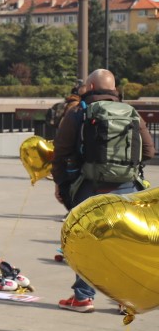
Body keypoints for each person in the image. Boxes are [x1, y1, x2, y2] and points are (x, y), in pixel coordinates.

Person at [52, 69, 154, 312]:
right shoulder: (131, 112)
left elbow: (61, 151)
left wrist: (60, 183)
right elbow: (149, 151)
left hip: (91, 186)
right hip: (126, 187)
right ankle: (124, 299)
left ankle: (83, 298)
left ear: (91, 86)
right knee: (124, 243)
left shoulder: (79, 112)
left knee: (85, 241)